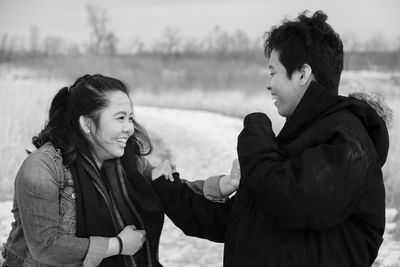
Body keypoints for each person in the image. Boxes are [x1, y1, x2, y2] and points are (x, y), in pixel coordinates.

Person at [150, 10, 392, 266]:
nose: (268, 84)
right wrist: (168, 189)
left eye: (273, 72)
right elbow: (237, 221)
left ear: (301, 74)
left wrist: (256, 129)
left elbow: (292, 199)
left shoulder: (347, 141)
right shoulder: (297, 140)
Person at [2, 74, 160, 267]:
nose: (129, 128)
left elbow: (174, 191)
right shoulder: (42, 167)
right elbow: (45, 247)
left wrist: (166, 179)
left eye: (131, 118)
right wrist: (117, 245)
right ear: (86, 123)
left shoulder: (127, 161)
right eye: (120, 118)